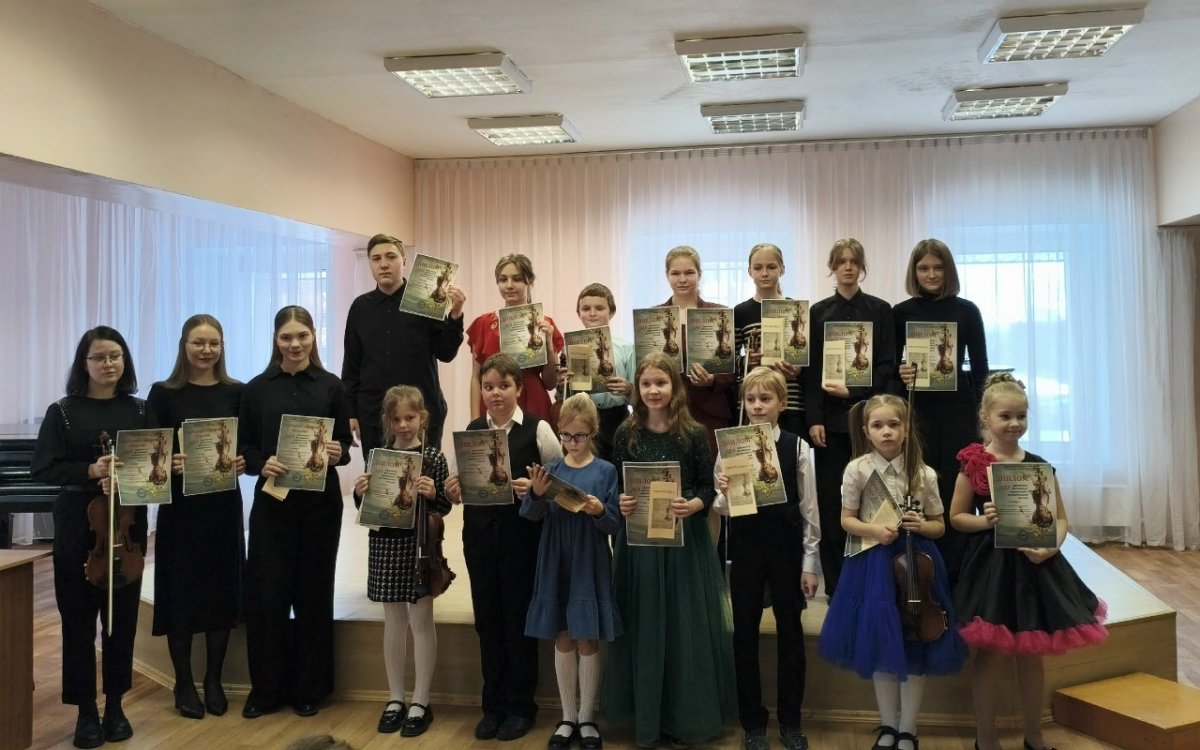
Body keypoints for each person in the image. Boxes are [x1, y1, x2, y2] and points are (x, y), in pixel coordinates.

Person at [950, 374, 1107, 750]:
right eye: (1005, 416)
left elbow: (1062, 519)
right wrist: (984, 521)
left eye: (1021, 416)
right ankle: (986, 738)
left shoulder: (1039, 466)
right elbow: (956, 517)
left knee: (1032, 656)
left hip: (1036, 567)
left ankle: (1034, 736)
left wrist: (1051, 547)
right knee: (988, 656)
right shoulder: (974, 464)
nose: (1014, 423)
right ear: (985, 417)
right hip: (992, 570)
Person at [601, 353, 735, 749]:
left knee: (681, 626)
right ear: (637, 388)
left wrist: (693, 505)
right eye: (646, 384)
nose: (653, 390)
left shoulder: (692, 432)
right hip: (640, 544)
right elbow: (619, 485)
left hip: (682, 543)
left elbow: (706, 487)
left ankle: (681, 717)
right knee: (644, 622)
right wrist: (622, 501)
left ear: (674, 388)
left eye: (661, 383)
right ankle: (647, 717)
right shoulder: (626, 432)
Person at [32, 326, 157, 748]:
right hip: (77, 527)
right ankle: (86, 710)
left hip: (125, 528)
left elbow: (153, 470)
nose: (108, 364)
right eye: (99, 357)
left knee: (121, 623)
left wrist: (137, 476)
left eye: (115, 356)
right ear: (83, 364)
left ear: (125, 361)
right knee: (78, 622)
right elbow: (44, 469)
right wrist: (90, 470)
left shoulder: (140, 411)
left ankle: (116, 706)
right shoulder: (63, 412)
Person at [817, 394, 965, 750]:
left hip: (917, 565)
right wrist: (873, 530)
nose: (886, 432)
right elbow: (846, 520)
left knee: (916, 643)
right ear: (866, 431)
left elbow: (939, 525)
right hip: (872, 563)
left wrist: (921, 525)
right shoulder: (857, 469)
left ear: (907, 428)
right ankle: (887, 725)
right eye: (878, 425)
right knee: (881, 643)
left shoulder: (923, 473)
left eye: (894, 424)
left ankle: (908, 728)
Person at [238, 305, 352, 719]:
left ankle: (309, 689)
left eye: (302, 335)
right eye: (286, 337)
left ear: (313, 336)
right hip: (273, 504)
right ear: (275, 340)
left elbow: (343, 444)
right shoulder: (256, 389)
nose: (295, 344)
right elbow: (245, 446)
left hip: (320, 506)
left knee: (313, 594)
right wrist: (260, 462)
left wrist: (338, 452)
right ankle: (266, 690)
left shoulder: (332, 386)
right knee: (267, 595)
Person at [446, 353, 564, 741]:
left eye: (503, 386)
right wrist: (454, 489)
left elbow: (562, 485)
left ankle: (521, 706)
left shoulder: (539, 429)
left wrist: (538, 489)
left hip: (522, 539)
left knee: (517, 620)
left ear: (518, 388)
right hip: (480, 538)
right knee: (487, 620)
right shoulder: (472, 430)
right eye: (488, 386)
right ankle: (492, 705)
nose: (495, 393)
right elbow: (461, 485)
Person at [713, 368, 820, 750]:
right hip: (746, 549)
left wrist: (810, 564)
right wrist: (723, 491)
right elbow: (722, 509)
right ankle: (753, 723)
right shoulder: (731, 447)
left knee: (791, 634)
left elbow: (810, 510)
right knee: (744, 633)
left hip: (786, 549)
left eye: (765, 399)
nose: (757, 406)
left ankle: (791, 721)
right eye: (751, 399)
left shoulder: (797, 447)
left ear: (782, 403)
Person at [146, 314, 246, 720]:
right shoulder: (162, 393)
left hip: (223, 506)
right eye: (198, 343)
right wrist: (168, 463)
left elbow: (248, 444)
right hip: (181, 510)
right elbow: (149, 455)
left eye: (214, 343)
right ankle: (184, 682)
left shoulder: (237, 392)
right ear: (183, 345)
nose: (207, 351)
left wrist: (243, 461)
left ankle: (214, 679)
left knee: (221, 589)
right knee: (181, 592)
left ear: (222, 347)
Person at [522, 393, 622, 750]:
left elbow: (614, 523)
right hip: (556, 556)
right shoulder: (553, 470)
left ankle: (586, 718)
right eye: (565, 435)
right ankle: (567, 717)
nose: (572, 442)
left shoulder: (606, 471)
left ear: (592, 432)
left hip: (589, 559)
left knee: (587, 637)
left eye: (579, 436)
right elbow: (530, 514)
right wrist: (536, 494)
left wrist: (598, 511)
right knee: (562, 636)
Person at [351, 386, 452, 737]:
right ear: (387, 421)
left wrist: (433, 493)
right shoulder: (377, 457)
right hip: (385, 545)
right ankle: (395, 697)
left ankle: (421, 700)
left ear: (422, 418)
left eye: (410, 417)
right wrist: (360, 493)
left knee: (421, 621)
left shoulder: (433, 457)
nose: (404, 424)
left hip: (420, 548)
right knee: (393, 622)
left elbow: (444, 507)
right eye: (397, 419)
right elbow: (367, 507)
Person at [805, 238, 897, 599]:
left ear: (862, 267)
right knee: (833, 504)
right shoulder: (818, 313)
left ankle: (873, 581)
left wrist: (855, 391)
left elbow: (887, 366)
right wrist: (814, 417)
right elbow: (812, 371)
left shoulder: (881, 310)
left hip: (871, 423)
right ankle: (838, 585)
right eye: (841, 261)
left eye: (854, 261)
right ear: (832, 267)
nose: (847, 267)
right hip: (829, 425)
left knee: (873, 501)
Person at [894, 239, 989, 586]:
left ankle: (960, 577)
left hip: (958, 412)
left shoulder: (967, 310)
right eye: (924, 268)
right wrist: (901, 372)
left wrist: (983, 421)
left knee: (956, 489)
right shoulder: (900, 312)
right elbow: (890, 369)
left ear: (948, 270)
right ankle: (921, 576)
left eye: (938, 267)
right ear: (914, 272)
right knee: (919, 487)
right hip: (918, 412)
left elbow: (981, 369)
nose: (931, 274)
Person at [342, 234, 465, 453]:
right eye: (376, 258)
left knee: (424, 474)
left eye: (391, 257)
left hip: (422, 413)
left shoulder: (426, 301)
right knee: (378, 474)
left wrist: (455, 315)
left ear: (404, 261)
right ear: (370, 263)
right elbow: (351, 365)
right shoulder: (360, 307)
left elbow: (446, 353)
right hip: (374, 414)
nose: (384, 264)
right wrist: (350, 412)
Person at [466, 254, 564, 421]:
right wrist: (474, 422)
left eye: (517, 279)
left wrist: (548, 346)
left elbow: (550, 383)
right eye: (503, 279)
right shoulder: (483, 324)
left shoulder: (545, 324)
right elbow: (476, 377)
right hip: (494, 403)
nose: (509, 285)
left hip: (533, 401)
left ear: (529, 281)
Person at [658, 245, 733, 460]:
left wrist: (712, 380)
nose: (682, 279)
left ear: (699, 274)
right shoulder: (654, 317)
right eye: (675, 273)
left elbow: (731, 370)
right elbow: (646, 368)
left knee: (712, 473)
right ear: (667, 275)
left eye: (689, 272)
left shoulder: (718, 313)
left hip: (710, 412)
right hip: (667, 411)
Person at [732, 243, 806, 436]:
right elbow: (729, 362)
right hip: (754, 404)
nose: (764, 273)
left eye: (771, 267)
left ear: (782, 269)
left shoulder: (796, 309)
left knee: (790, 452)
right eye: (758, 268)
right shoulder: (740, 312)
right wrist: (747, 361)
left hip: (791, 402)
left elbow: (808, 361)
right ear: (749, 271)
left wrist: (797, 368)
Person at [572, 283, 635, 462]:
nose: (592, 313)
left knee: (618, 466)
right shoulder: (571, 349)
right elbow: (564, 397)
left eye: (599, 308)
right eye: (586, 309)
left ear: (611, 312)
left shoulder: (626, 348)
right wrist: (564, 384)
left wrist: (629, 389)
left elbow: (639, 397)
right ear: (579, 313)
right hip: (583, 419)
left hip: (618, 419)